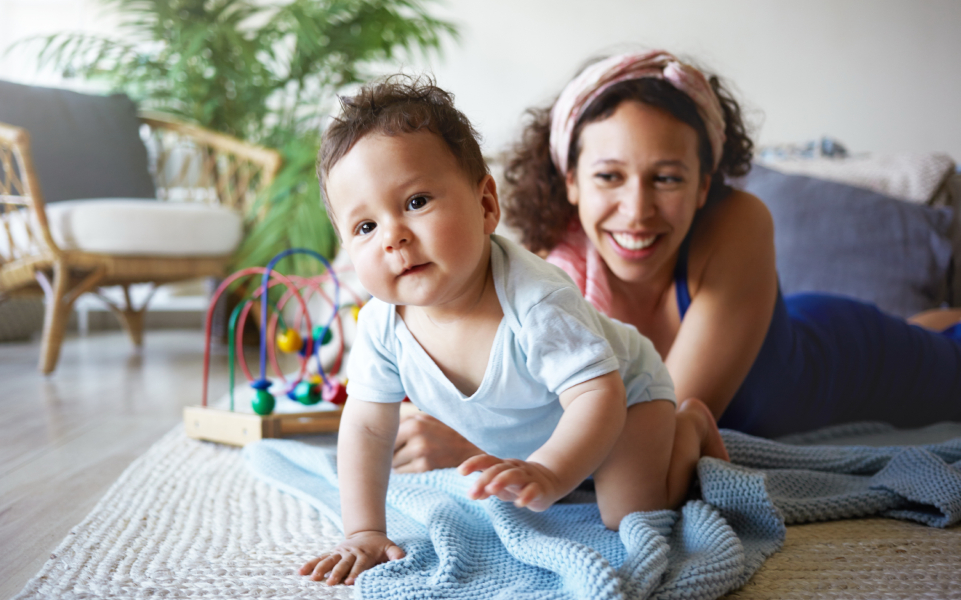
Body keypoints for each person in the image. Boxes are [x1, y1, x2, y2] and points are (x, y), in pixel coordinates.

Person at [391, 49, 961, 473]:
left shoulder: (740, 222)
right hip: (794, 326)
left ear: (703, 183)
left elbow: (654, 431)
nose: (637, 211)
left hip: (849, 357)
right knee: (929, 326)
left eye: (665, 178)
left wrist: (481, 450)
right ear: (571, 181)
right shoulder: (544, 282)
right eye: (609, 176)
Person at [298, 75, 729, 586]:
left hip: (626, 394)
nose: (393, 237)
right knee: (565, 482)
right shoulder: (380, 324)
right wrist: (364, 531)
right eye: (365, 227)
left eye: (416, 202)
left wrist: (550, 471)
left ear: (486, 205)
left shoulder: (536, 300)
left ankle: (688, 426)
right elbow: (367, 427)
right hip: (545, 424)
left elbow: (598, 396)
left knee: (628, 512)